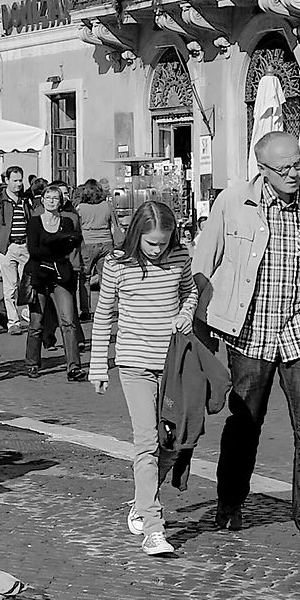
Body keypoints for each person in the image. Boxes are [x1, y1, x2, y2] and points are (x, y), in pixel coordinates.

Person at [191, 131, 300, 555]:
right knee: (244, 424)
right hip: (249, 332)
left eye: (298, 164)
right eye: (285, 168)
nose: (295, 173)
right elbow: (205, 262)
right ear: (264, 168)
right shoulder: (234, 202)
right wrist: (200, 324)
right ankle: (230, 501)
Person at [89, 203, 194, 557]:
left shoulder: (180, 257)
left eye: (163, 243)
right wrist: (98, 365)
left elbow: (189, 291)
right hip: (134, 365)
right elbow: (103, 315)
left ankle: (143, 500)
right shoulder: (118, 265)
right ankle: (153, 527)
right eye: (151, 243)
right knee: (146, 443)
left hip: (173, 364)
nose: (157, 250)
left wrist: (185, 313)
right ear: (137, 235)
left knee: (175, 442)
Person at [23, 181, 86, 382]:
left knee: (68, 321)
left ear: (61, 201)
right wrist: (57, 242)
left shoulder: (66, 222)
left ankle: (74, 366)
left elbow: (70, 246)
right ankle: (32, 363)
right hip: (40, 276)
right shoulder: (34, 222)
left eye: (55, 198)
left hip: (61, 276)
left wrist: (53, 245)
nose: (51, 201)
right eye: (48, 198)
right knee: (36, 323)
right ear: (42, 200)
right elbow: (34, 250)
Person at [0, 168, 29, 335]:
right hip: (6, 248)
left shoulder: (25, 200)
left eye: (20, 180)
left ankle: (29, 316)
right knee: (10, 287)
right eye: (15, 180)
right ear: (7, 180)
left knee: (27, 285)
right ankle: (13, 322)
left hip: (24, 246)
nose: (18, 184)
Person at [74, 178, 118, 321]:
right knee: (106, 278)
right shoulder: (107, 205)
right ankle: (106, 309)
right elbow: (114, 224)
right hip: (106, 243)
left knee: (85, 278)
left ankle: (86, 311)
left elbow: (77, 227)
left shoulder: (80, 208)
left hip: (87, 243)